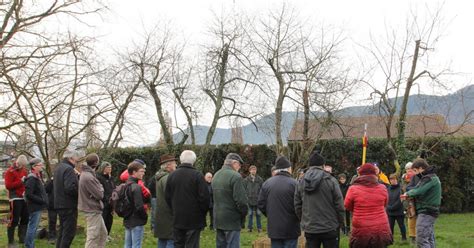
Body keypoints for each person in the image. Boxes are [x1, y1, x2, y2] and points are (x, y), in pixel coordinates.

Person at [294, 151, 344, 248]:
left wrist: (304, 220)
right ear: (323, 165)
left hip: (310, 227)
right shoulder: (331, 180)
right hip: (329, 227)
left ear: (309, 165)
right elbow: (339, 204)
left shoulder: (301, 181)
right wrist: (340, 222)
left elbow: (297, 205)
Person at [165, 150, 210, 248]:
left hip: (177, 216)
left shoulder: (172, 175)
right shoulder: (197, 175)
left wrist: (174, 209)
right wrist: (202, 212)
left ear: (181, 160)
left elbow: (167, 197)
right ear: (193, 161)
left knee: (178, 244)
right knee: (192, 244)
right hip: (194, 218)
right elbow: (205, 198)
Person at [344, 163, 392, 248]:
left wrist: (357, 209)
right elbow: (385, 203)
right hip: (380, 227)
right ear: (375, 174)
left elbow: (347, 206)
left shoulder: (353, 189)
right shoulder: (382, 188)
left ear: (360, 174)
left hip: (361, 227)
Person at [258, 156, 300, 248]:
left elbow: (261, 204)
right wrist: (298, 217)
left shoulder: (267, 183)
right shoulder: (295, 184)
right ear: (289, 169)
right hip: (291, 227)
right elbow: (300, 205)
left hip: (274, 228)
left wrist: (270, 214)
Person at [402, 158, 441, 248]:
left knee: (421, 240)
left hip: (426, 211)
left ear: (421, 168)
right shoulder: (429, 177)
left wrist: (407, 194)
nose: (415, 174)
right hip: (429, 211)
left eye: (415, 171)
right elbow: (416, 188)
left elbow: (419, 190)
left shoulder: (429, 178)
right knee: (429, 238)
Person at [212, 153, 249, 248]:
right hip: (232, 221)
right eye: (239, 165)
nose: (239, 168)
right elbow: (242, 202)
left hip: (218, 219)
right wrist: (243, 214)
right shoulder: (236, 176)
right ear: (234, 163)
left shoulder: (216, 175)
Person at [78, 153, 107, 248]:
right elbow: (100, 194)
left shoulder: (87, 174)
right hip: (92, 210)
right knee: (93, 237)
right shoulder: (88, 177)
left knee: (103, 234)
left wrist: (99, 187)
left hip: (94, 209)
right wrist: (101, 187)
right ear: (96, 163)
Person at [54, 149, 81, 248]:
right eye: (76, 161)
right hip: (68, 205)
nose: (76, 162)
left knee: (62, 232)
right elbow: (70, 188)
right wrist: (80, 194)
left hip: (59, 203)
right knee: (68, 233)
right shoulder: (69, 169)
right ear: (70, 158)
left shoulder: (58, 168)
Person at [154, 154, 178, 248]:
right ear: (168, 165)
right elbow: (172, 198)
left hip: (162, 215)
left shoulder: (160, 177)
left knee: (162, 240)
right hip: (169, 215)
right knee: (171, 240)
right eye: (174, 163)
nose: (176, 165)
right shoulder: (168, 178)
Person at [5, 155, 29, 247]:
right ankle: (11, 242)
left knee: (25, 218)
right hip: (15, 198)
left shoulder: (24, 171)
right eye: (21, 165)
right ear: (17, 163)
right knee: (14, 220)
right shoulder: (10, 172)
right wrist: (21, 181)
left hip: (24, 197)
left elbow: (25, 183)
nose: (22, 167)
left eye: (24, 165)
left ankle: (22, 238)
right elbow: (8, 186)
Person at [24, 158, 48, 248]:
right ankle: (29, 245)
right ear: (34, 167)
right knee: (32, 227)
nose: (42, 166)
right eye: (40, 165)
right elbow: (29, 194)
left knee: (33, 227)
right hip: (34, 207)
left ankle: (29, 244)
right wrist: (41, 200)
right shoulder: (32, 178)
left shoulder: (37, 176)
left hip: (37, 206)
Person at [124, 160, 148, 248]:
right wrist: (145, 216)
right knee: (136, 245)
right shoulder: (136, 187)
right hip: (137, 220)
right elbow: (139, 206)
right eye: (141, 171)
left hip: (127, 219)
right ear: (134, 172)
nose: (143, 173)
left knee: (127, 245)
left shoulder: (125, 185)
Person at [96, 162, 116, 241]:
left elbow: (113, 187)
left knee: (109, 219)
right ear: (103, 168)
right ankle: (102, 236)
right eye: (108, 168)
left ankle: (107, 234)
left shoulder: (111, 178)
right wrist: (105, 199)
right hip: (104, 202)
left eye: (110, 168)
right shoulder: (99, 177)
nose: (110, 169)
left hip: (111, 202)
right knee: (103, 219)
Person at [387, 173, 407, 242]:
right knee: (390, 226)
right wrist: (388, 207)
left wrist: (393, 207)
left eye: (394, 179)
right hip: (390, 211)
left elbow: (400, 200)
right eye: (391, 179)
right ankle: (390, 239)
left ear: (397, 180)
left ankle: (404, 238)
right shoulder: (388, 189)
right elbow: (386, 199)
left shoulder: (401, 188)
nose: (393, 181)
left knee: (401, 225)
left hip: (399, 211)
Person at [244, 165, 263, 233]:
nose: (253, 171)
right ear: (250, 171)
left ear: (256, 171)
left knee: (258, 214)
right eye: (252, 170)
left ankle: (259, 228)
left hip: (257, 200)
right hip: (249, 200)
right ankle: (249, 228)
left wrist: (260, 198)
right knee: (250, 214)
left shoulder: (259, 179)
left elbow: (262, 189)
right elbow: (244, 189)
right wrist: (246, 198)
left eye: (254, 170)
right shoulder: (246, 180)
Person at [404, 162, 419, 244]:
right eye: (407, 170)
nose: (409, 171)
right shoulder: (404, 179)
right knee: (410, 219)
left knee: (417, 220)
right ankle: (412, 237)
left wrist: (412, 190)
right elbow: (407, 188)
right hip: (408, 202)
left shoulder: (418, 177)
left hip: (417, 202)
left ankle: (418, 237)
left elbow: (419, 188)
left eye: (410, 170)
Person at [45, 177, 58, 244]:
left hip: (61, 203)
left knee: (63, 221)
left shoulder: (63, 179)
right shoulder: (50, 180)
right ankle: (52, 237)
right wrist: (51, 181)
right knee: (52, 221)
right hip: (52, 203)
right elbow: (46, 189)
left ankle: (60, 236)